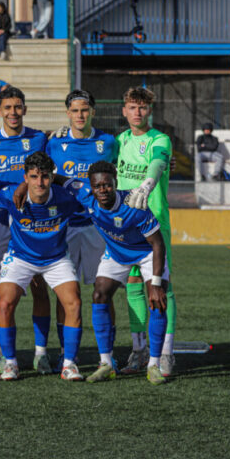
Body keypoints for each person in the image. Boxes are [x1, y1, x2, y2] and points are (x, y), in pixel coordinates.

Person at [74, 161, 171, 384]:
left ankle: (154, 364)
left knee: (157, 300)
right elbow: (62, 181)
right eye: (97, 186)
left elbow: (158, 244)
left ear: (115, 183)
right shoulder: (86, 197)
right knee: (99, 294)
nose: (102, 190)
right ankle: (106, 363)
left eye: (107, 185)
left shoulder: (134, 205)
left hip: (146, 253)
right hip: (117, 253)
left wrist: (156, 283)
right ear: (91, 186)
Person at [0, 86, 52, 370]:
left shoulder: (38, 139)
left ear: (25, 109)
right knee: (2, 289)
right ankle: (3, 352)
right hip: (1, 223)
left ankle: (41, 352)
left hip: (35, 222)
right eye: (7, 108)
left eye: (18, 107)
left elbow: (48, 173)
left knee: (38, 285)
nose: (13, 113)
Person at [0, 152, 85, 381]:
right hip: (20, 257)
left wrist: (58, 178)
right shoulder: (9, 196)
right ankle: (11, 363)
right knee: (4, 303)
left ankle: (69, 364)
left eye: (45, 177)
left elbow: (86, 189)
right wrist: (19, 187)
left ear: (51, 177)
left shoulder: (66, 197)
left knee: (73, 303)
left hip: (56, 258)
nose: (39, 183)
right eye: (33, 177)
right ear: (25, 177)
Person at [46, 89, 118, 371]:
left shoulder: (108, 142)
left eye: (85, 110)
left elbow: (128, 170)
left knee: (105, 291)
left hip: (98, 228)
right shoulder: (54, 144)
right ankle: (68, 355)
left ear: (93, 112)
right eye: (75, 111)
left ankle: (107, 356)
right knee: (65, 295)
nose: (80, 115)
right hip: (64, 227)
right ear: (67, 113)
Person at [114, 86, 177, 377]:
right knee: (133, 286)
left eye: (142, 107)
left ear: (149, 110)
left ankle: (165, 353)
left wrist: (147, 184)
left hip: (154, 224)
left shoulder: (160, 139)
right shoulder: (120, 140)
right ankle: (138, 350)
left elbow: (158, 162)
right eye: (132, 107)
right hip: (126, 226)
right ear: (124, 110)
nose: (137, 112)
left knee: (162, 287)